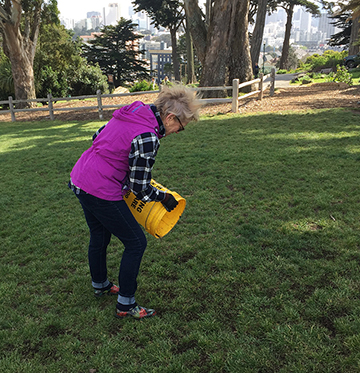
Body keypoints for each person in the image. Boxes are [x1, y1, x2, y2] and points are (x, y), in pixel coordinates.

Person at [68, 85, 201, 319]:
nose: (178, 132)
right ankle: (126, 304)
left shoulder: (134, 109)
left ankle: (100, 285)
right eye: (180, 127)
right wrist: (164, 198)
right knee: (136, 243)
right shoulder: (149, 137)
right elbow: (140, 187)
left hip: (80, 177)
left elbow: (97, 135)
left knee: (99, 235)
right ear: (170, 117)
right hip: (100, 188)